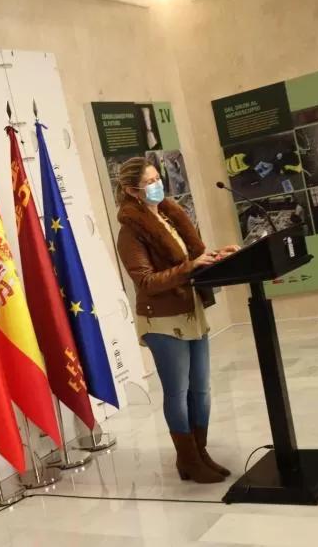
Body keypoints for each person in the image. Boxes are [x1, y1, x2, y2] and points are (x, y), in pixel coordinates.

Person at [115, 157, 239, 484]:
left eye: (158, 178)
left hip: (191, 310)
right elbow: (146, 281)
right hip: (163, 320)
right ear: (132, 191)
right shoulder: (130, 232)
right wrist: (190, 267)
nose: (158, 185)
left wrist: (215, 258)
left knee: (201, 390)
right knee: (178, 392)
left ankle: (200, 453)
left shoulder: (169, 216)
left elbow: (190, 260)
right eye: (149, 182)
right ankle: (188, 459)